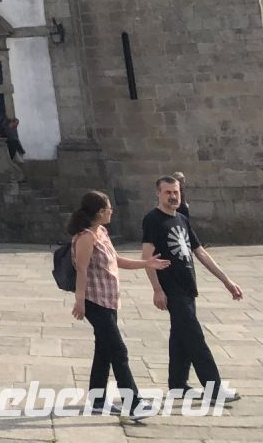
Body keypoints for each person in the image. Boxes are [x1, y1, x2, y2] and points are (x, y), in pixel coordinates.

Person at [140, 175, 243, 405]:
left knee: (180, 337)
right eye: (168, 192)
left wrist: (227, 281)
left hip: (188, 288)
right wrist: (157, 289)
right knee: (195, 337)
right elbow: (147, 257)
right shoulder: (153, 220)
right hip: (172, 289)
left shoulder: (182, 219)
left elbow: (200, 252)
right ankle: (214, 388)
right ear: (158, 193)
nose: (173, 196)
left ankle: (178, 386)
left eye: (175, 192)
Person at [67, 190, 168, 417]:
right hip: (94, 302)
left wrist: (147, 263)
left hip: (109, 300)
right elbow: (81, 271)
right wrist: (79, 302)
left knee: (104, 349)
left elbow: (117, 260)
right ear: (101, 212)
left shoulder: (101, 232)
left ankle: (97, 400)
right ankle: (133, 404)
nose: (112, 211)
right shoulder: (85, 237)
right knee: (118, 351)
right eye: (109, 208)